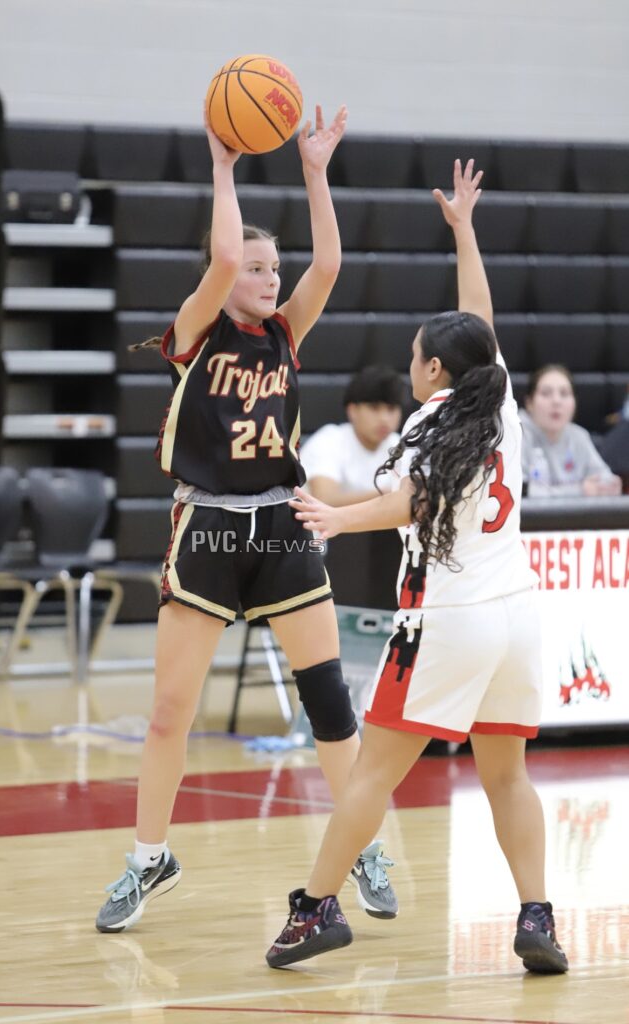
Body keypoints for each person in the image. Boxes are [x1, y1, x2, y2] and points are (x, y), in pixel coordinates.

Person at [95, 104, 397, 933]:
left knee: (329, 702)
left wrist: (314, 173)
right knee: (170, 711)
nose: (268, 279)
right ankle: (148, 859)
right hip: (209, 530)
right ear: (223, 279)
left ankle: (361, 844)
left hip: (281, 526)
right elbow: (224, 253)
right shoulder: (194, 333)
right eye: (256, 269)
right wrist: (223, 167)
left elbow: (328, 263)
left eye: (273, 269)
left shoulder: (286, 334)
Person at [266, 159, 569, 976]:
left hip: (448, 619)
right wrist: (464, 232)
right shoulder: (498, 402)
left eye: (414, 355)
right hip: (517, 616)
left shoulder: (429, 423)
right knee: (506, 776)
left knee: (371, 774)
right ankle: (537, 915)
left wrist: (338, 516)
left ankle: (314, 909)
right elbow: (479, 320)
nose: (409, 365)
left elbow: (413, 502)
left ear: (434, 370)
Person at [300, 365, 405, 506]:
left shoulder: (401, 446)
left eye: (391, 409)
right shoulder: (328, 441)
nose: (384, 418)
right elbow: (324, 500)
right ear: (352, 410)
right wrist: (389, 496)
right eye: (374, 408)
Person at [521, 365, 621, 497]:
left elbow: (604, 477)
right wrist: (580, 490)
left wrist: (608, 485)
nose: (556, 401)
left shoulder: (579, 435)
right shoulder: (516, 434)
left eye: (564, 394)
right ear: (529, 402)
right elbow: (519, 491)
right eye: (546, 393)